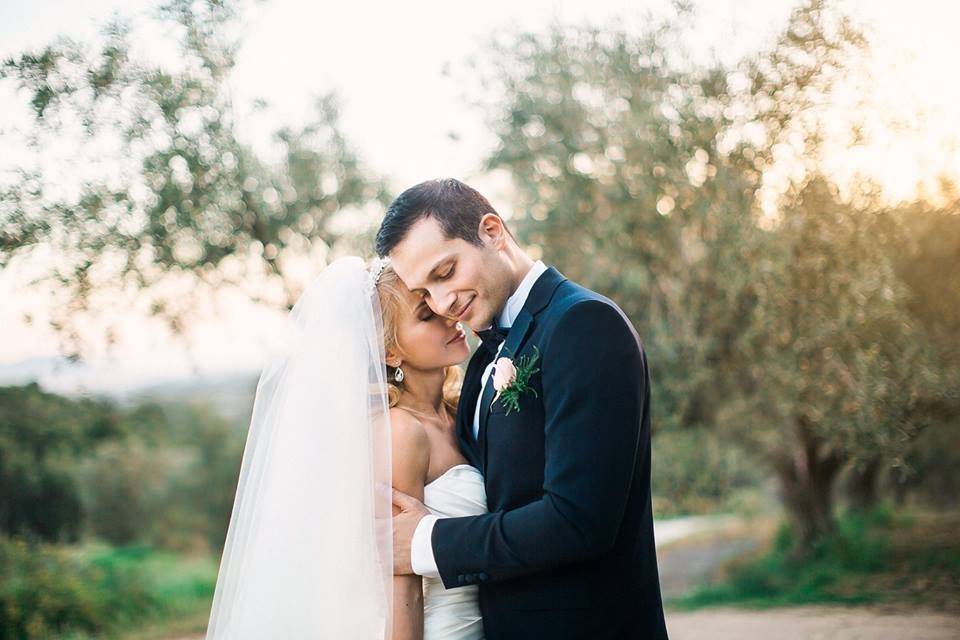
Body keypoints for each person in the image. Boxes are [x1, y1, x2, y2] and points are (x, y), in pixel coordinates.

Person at [379, 178, 669, 640]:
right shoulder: (479, 365)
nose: (443, 303)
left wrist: (425, 541)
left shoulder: (585, 324)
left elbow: (579, 521)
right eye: (426, 294)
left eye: (446, 271)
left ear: (492, 231)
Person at [205, 255, 488, 639]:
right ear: (390, 352)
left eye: (437, 302)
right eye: (425, 315)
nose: (447, 315)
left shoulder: (460, 412)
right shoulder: (400, 432)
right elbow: (399, 581)